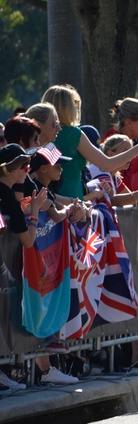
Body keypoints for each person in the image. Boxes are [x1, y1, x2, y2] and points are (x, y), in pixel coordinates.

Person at [0, 144, 78, 384]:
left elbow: (53, 212)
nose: (28, 170)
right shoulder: (7, 196)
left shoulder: (14, 191)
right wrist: (33, 211)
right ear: (10, 170)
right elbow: (28, 240)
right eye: (24, 166)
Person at [41, 84, 138, 200]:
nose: (76, 108)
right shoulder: (73, 134)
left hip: (50, 199)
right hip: (72, 199)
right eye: (74, 103)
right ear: (65, 108)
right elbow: (107, 164)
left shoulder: (41, 133)